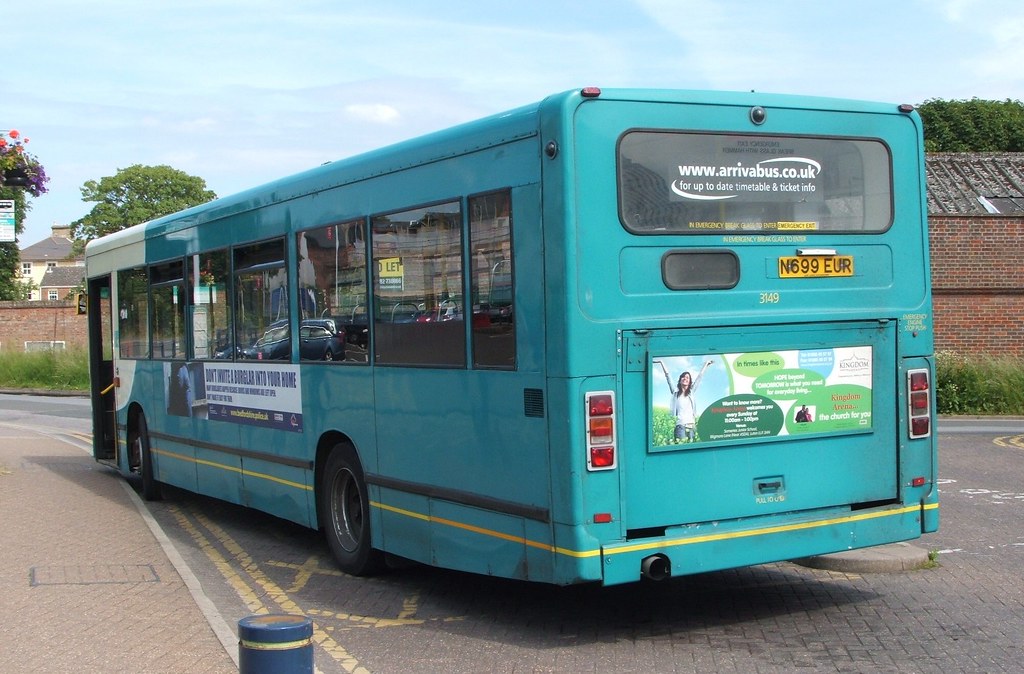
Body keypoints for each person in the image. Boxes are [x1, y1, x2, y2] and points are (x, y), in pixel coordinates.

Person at [661, 359, 714, 443]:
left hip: (692, 426)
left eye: (687, 377)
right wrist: (661, 362)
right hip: (680, 426)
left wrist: (706, 364)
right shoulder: (675, 393)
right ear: (680, 380)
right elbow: (668, 377)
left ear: (689, 382)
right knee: (681, 447)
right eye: (683, 377)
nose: (685, 378)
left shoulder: (691, 393)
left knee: (692, 448)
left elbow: (699, 377)